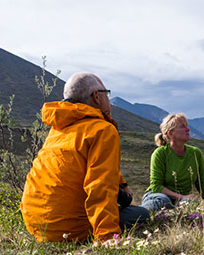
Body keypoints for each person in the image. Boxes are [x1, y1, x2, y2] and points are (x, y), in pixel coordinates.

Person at [20, 72, 149, 242]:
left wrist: (122, 184)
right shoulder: (102, 130)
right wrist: (107, 236)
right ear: (96, 96)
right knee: (142, 214)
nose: (108, 99)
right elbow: (100, 186)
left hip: (36, 227)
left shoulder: (59, 128)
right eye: (106, 93)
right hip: (70, 230)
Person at [141, 113, 204, 211]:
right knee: (163, 201)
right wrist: (181, 196)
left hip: (182, 200)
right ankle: (141, 215)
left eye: (187, 126)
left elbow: (202, 183)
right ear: (171, 133)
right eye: (183, 127)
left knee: (190, 204)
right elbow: (156, 187)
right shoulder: (160, 153)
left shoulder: (195, 153)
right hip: (157, 196)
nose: (188, 129)